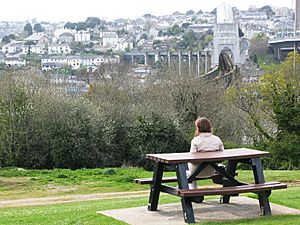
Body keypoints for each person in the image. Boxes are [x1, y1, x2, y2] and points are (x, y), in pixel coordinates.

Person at [188, 117, 224, 190]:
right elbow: (223, 155)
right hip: (212, 170)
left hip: (196, 172)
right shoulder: (217, 139)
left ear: (198, 128)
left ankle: (193, 190)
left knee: (186, 168)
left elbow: (192, 159)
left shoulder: (195, 141)